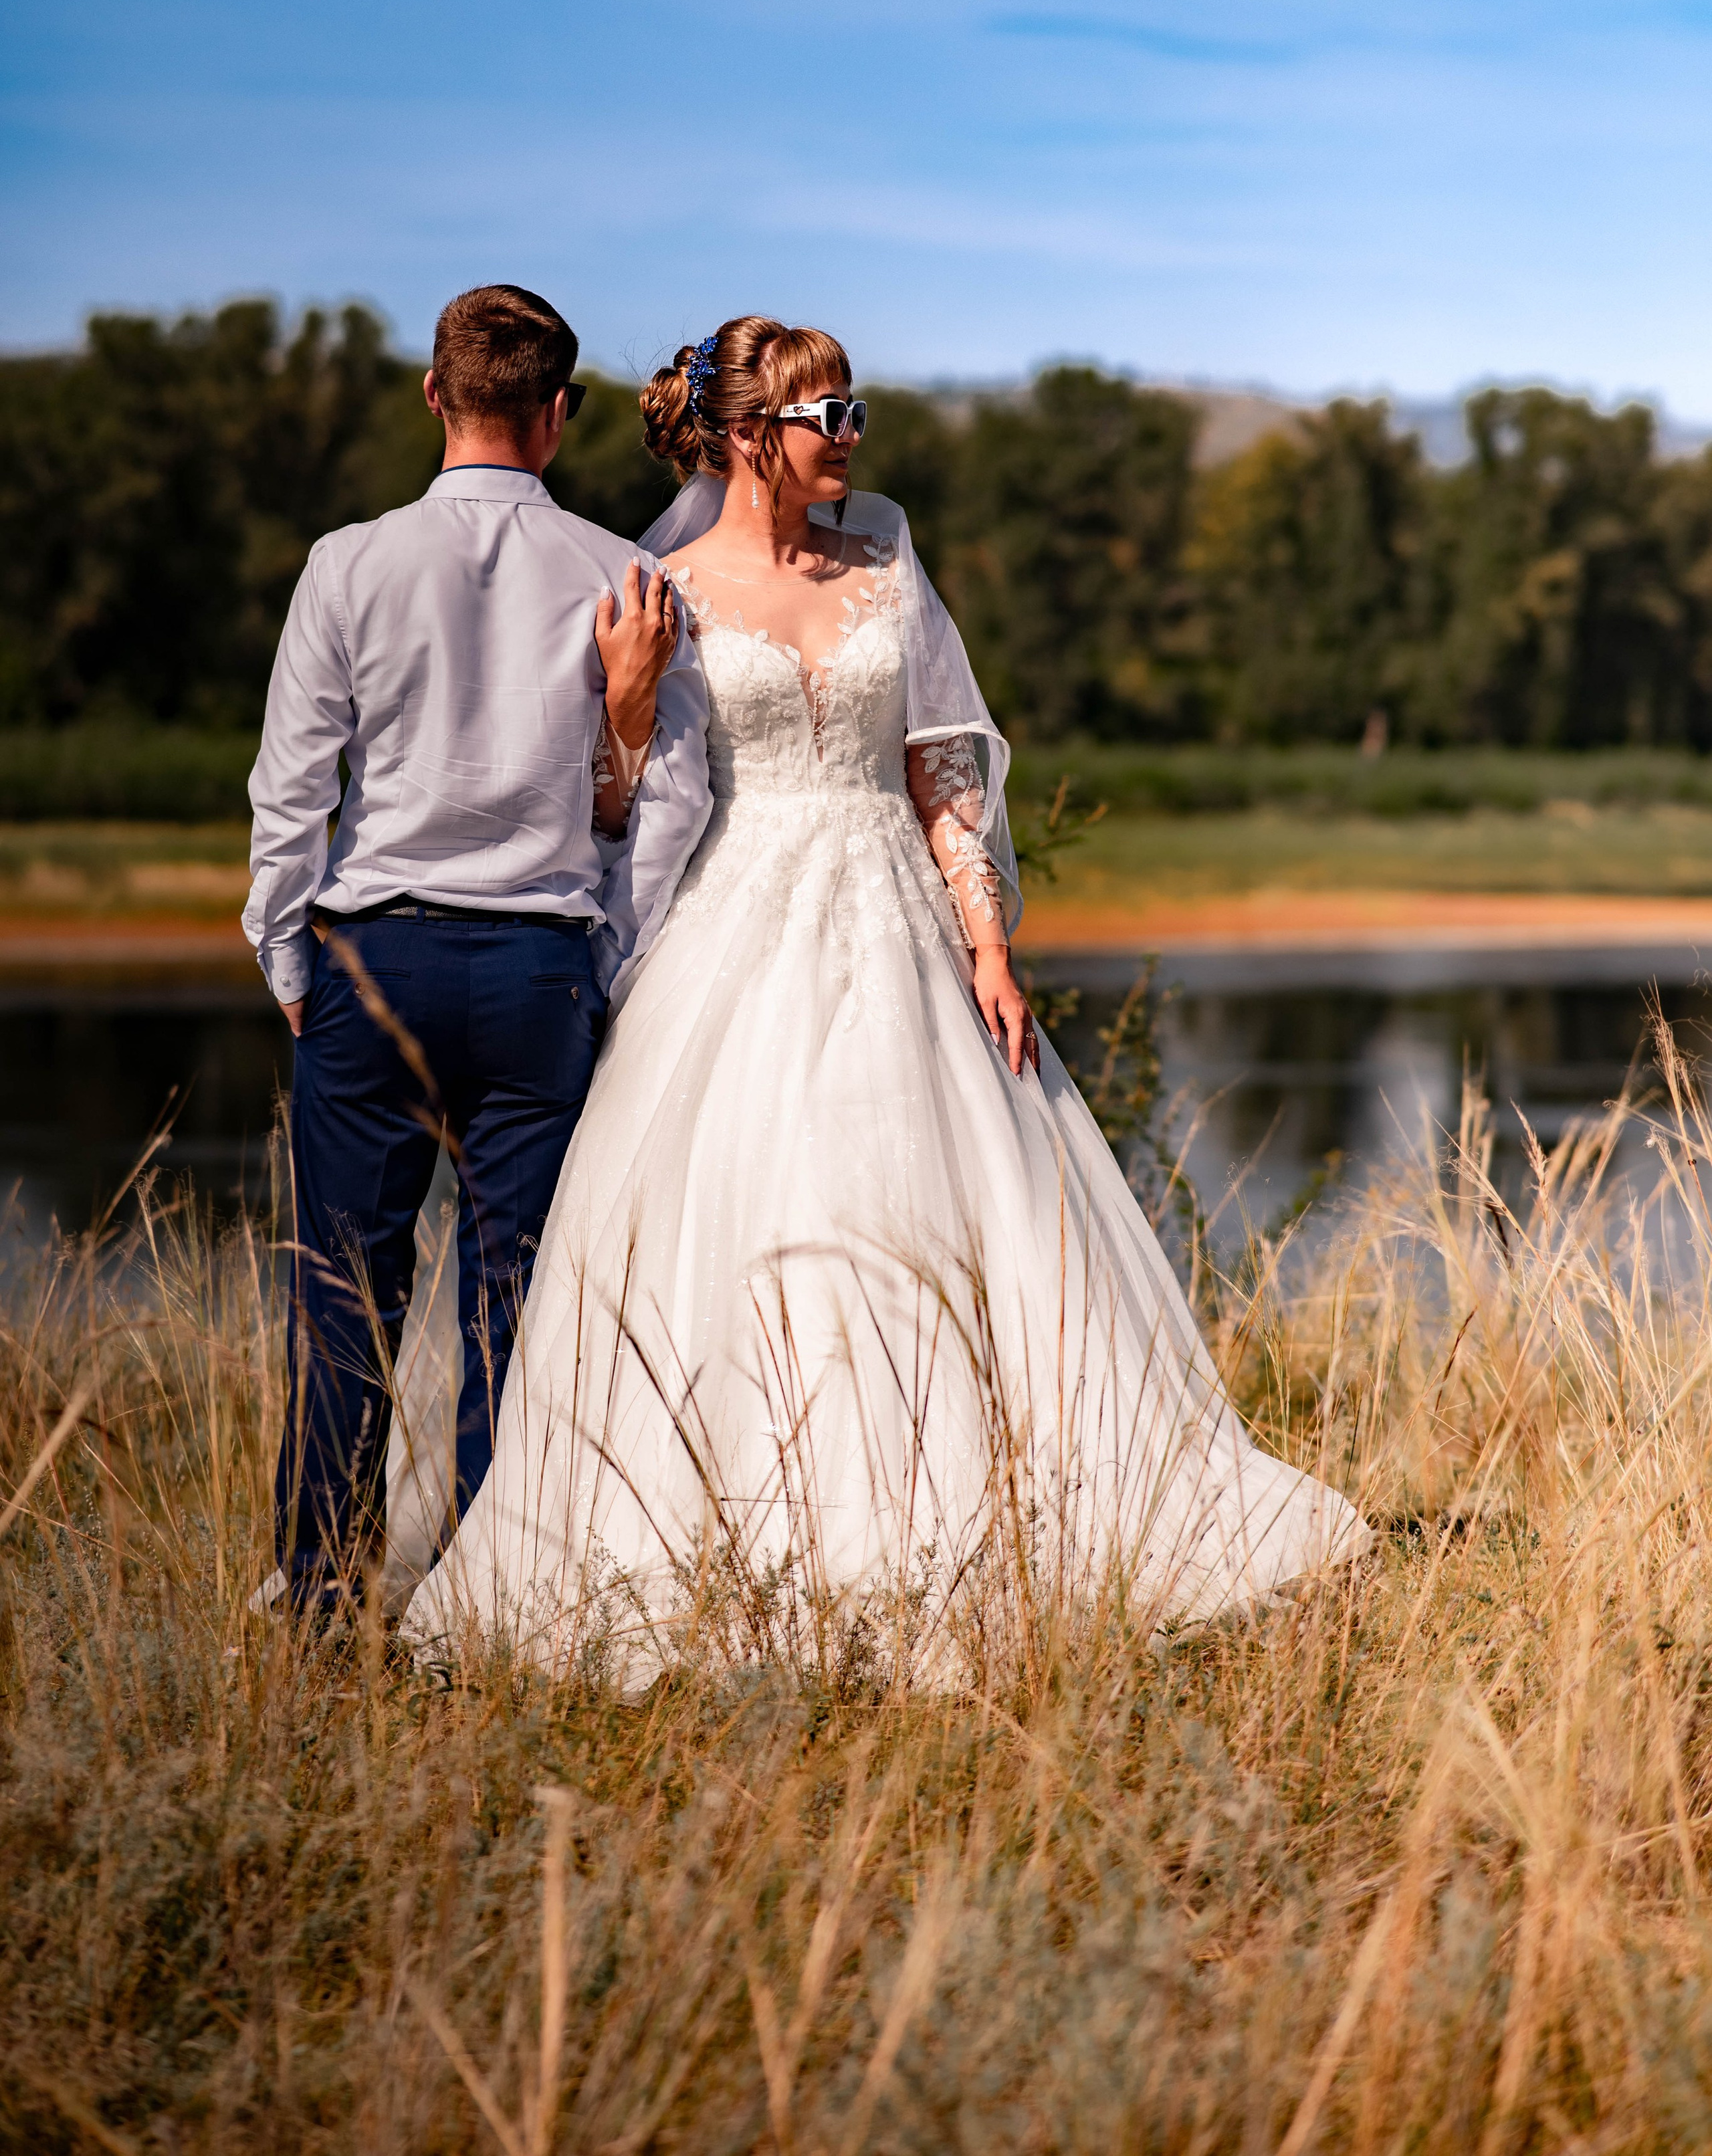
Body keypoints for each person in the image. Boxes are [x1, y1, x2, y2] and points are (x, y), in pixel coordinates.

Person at [404, 316, 1367, 1676]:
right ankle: (748, 1545)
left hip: (896, 930)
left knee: (921, 1198)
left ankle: (953, 1526)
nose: (852, 439)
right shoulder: (658, 585)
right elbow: (613, 813)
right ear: (750, 436)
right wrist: (622, 706)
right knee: (742, 1224)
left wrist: (986, 943)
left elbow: (941, 776)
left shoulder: (884, 572)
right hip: (729, 938)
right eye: (827, 416)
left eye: (855, 412)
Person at [243, 284, 710, 1616]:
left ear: (433, 397)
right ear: (557, 416)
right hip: (538, 974)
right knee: (513, 1300)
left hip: (371, 958)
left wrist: (288, 961)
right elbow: (664, 798)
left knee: (345, 1293)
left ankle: (324, 1588)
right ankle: (488, 1604)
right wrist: (605, 964)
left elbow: (291, 794)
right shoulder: (626, 575)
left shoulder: (346, 563)